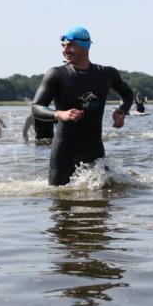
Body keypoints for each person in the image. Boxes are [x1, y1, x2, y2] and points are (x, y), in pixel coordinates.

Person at [31, 26, 134, 186]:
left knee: (105, 197)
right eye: (63, 46)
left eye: (70, 45)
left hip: (94, 151)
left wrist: (122, 111)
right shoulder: (56, 74)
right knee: (59, 197)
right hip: (64, 153)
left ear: (85, 46)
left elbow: (128, 95)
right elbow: (36, 107)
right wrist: (59, 114)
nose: (65, 50)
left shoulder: (106, 74)